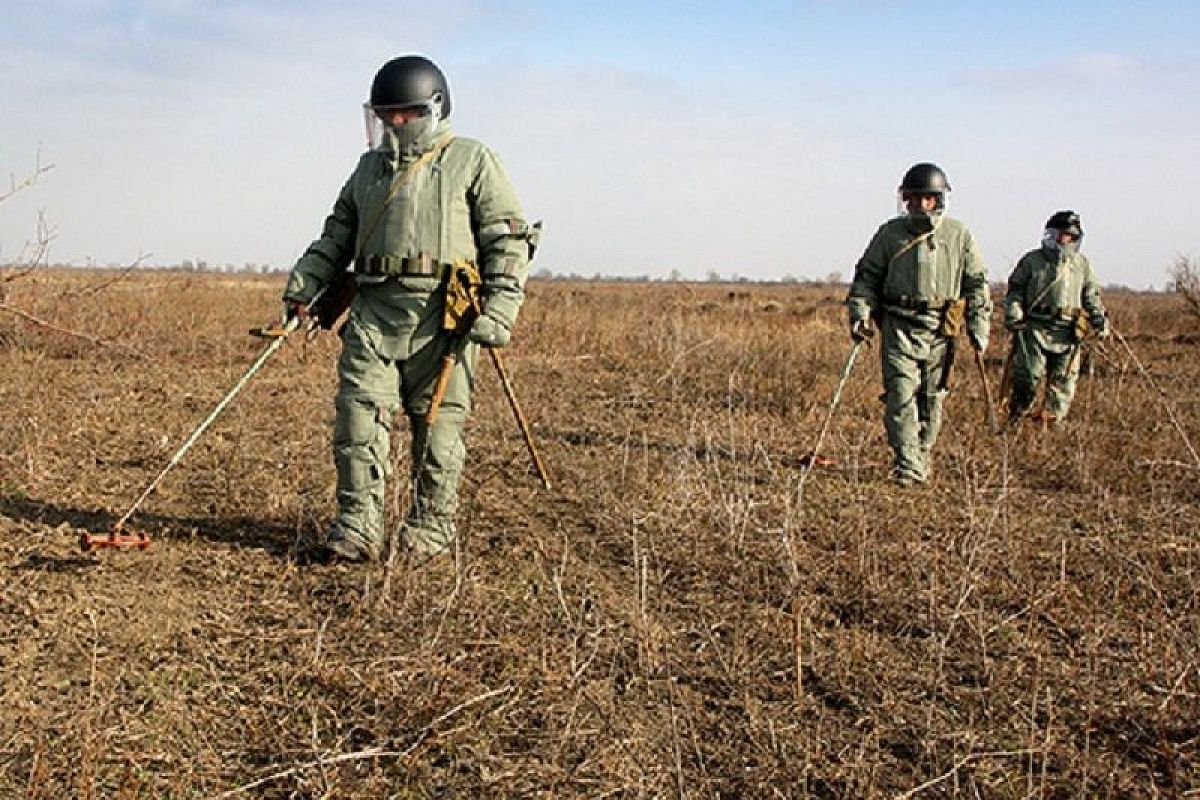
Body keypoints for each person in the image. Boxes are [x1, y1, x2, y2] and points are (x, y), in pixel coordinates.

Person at [282, 55, 536, 561]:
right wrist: (303, 286)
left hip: (444, 321)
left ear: (434, 109)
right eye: (386, 115)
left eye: (406, 114)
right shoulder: (367, 169)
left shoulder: (473, 160)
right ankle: (355, 532)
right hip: (373, 315)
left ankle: (428, 533)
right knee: (357, 423)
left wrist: (501, 308)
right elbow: (336, 236)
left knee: (437, 431)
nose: (395, 124)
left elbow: (507, 241)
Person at [846, 163, 992, 485]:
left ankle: (922, 453)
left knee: (932, 397)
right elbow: (867, 277)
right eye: (912, 199)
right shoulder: (889, 234)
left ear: (939, 199)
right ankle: (907, 464)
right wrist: (860, 313)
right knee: (900, 394)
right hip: (899, 325)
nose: (919, 206)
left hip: (942, 328)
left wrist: (979, 327)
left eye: (927, 199)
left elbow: (976, 285)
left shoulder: (959, 235)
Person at [1003, 210, 1109, 425]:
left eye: (1069, 235)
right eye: (1059, 234)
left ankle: (1051, 425)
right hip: (1035, 328)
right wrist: (1014, 314)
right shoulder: (1032, 260)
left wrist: (1100, 320)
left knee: (1063, 385)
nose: (1063, 239)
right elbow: (1015, 291)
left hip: (1068, 333)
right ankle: (1016, 419)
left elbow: (1091, 296)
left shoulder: (1082, 265)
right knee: (1028, 377)